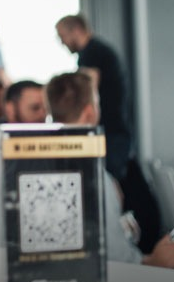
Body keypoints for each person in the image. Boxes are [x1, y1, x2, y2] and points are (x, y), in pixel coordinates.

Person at [45, 73, 174, 269]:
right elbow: (120, 265)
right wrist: (157, 262)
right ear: (89, 113)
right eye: (97, 102)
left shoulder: (44, 166)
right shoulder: (95, 178)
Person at [55, 14, 134, 181]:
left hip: (110, 135)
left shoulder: (93, 52)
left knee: (108, 184)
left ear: (76, 30)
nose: (62, 42)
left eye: (62, 36)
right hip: (113, 132)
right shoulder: (96, 51)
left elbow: (84, 92)